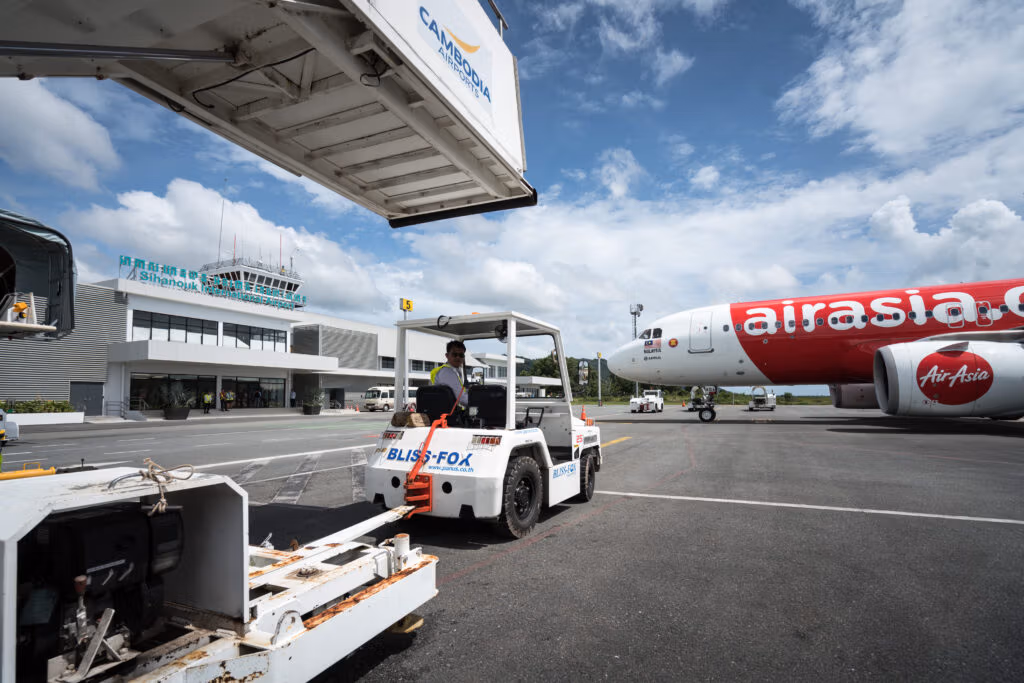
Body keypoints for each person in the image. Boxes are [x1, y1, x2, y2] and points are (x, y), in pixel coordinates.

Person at [430, 340, 469, 409]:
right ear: (447, 355)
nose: (458, 357)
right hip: (448, 415)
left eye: (461, 355)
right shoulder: (447, 372)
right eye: (454, 354)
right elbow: (463, 399)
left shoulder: (454, 370)